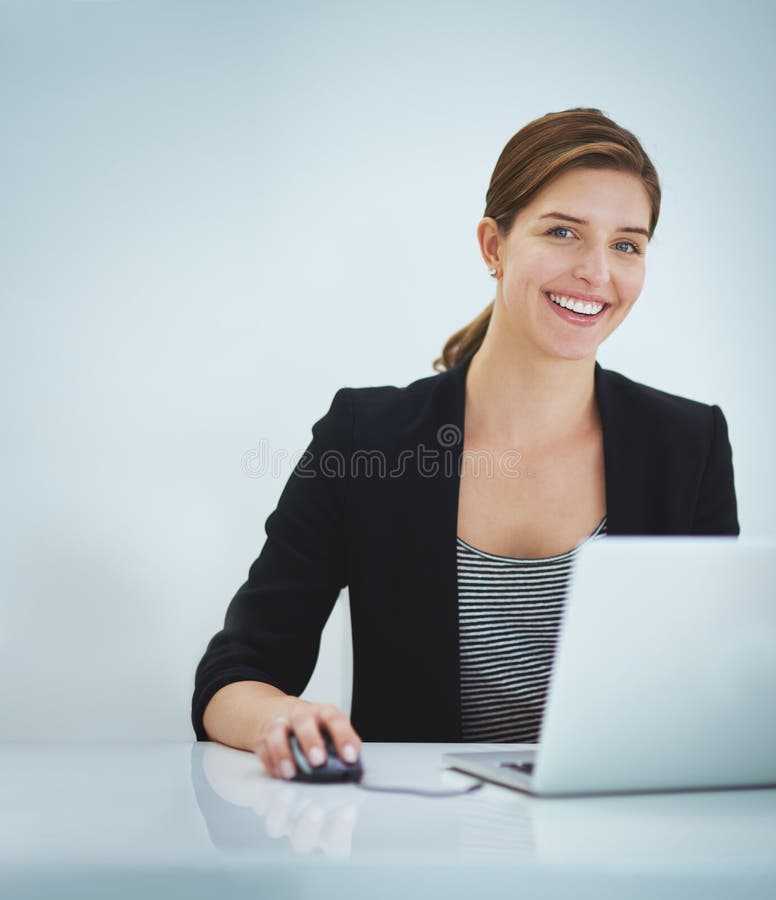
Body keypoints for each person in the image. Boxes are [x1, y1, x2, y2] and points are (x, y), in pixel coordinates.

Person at [192, 107, 739, 781]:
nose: (598, 272)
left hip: (618, 847)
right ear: (493, 245)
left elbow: (717, 692)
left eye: (627, 244)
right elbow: (234, 675)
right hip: (421, 848)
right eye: (563, 232)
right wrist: (281, 718)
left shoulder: (690, 447)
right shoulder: (368, 438)